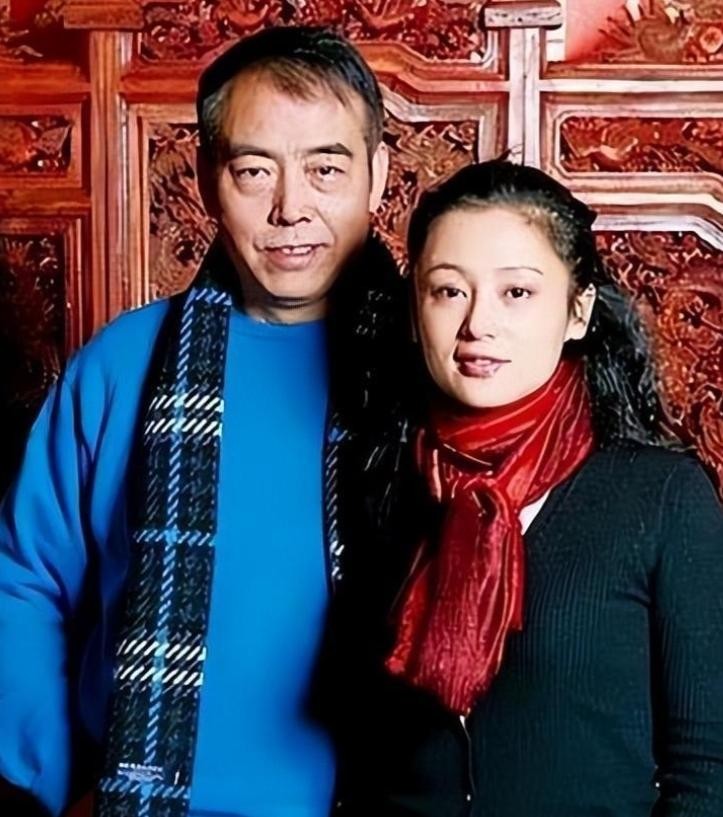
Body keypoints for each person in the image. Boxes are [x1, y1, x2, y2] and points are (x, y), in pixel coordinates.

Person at [0, 25, 413, 817]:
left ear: (378, 176)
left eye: (325, 169)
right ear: (205, 180)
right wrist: (40, 782)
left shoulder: (428, 368)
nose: (290, 208)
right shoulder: (123, 363)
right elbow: (23, 579)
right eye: (254, 171)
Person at [337, 160, 723, 816]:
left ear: (578, 311)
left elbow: (708, 769)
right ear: (415, 312)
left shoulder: (662, 497)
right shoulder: (382, 478)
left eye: (516, 291)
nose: (477, 324)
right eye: (447, 290)